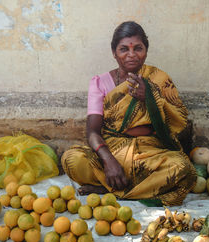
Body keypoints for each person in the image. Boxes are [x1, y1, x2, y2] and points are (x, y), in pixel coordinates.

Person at [61, 21, 196, 206]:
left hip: (150, 153)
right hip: (113, 150)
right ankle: (131, 186)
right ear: (114, 53)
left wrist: (149, 99)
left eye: (138, 48)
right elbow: (92, 132)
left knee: (183, 169)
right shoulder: (100, 83)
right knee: (72, 159)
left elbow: (178, 120)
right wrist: (109, 162)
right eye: (124, 49)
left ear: (146, 51)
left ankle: (109, 188)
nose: (131, 55)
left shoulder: (159, 79)